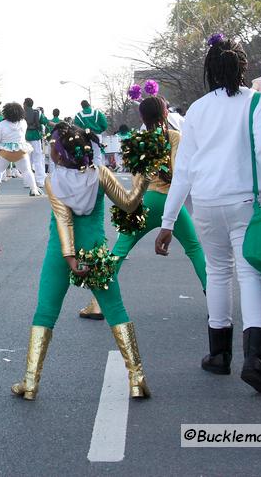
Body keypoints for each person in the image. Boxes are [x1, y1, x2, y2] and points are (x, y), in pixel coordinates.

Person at [154, 34, 261, 395]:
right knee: (251, 274)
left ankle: (218, 356)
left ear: (209, 69)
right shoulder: (260, 103)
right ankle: (256, 361)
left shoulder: (197, 110)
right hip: (248, 202)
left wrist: (168, 221)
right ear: (244, 67)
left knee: (218, 272)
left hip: (206, 202)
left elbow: (184, 170)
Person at [11, 121, 151, 401]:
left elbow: (64, 220)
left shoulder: (54, 181)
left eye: (53, 146)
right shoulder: (100, 174)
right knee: (115, 309)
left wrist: (70, 258)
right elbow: (129, 203)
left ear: (62, 154)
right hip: (97, 253)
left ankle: (30, 382)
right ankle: (137, 378)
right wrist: (142, 179)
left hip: (60, 255)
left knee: (45, 311)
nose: (51, 149)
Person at [79, 95, 207, 321]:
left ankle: (98, 303)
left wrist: (132, 206)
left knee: (119, 252)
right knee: (195, 249)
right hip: (171, 202)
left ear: (142, 117)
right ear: (166, 113)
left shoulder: (135, 142)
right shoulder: (175, 136)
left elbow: (136, 182)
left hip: (145, 201)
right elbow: (180, 172)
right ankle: (215, 300)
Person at [0, 102, 39, 198]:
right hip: (21, 150)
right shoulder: (23, 123)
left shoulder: (2, 124)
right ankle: (34, 189)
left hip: (5, 151)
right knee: (27, 171)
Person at [23, 98, 50, 190]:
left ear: (25, 104)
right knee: (38, 160)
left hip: (25, 138)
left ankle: (27, 182)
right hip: (35, 137)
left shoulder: (21, 113)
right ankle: (40, 181)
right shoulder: (38, 113)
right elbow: (46, 122)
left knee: (26, 160)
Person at [74, 100, 109, 165]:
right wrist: (99, 131)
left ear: (82, 107)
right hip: (96, 135)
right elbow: (104, 124)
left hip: (84, 137)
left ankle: (88, 172)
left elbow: (76, 128)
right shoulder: (97, 113)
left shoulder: (78, 115)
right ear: (89, 105)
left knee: (85, 154)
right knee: (97, 155)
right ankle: (98, 172)